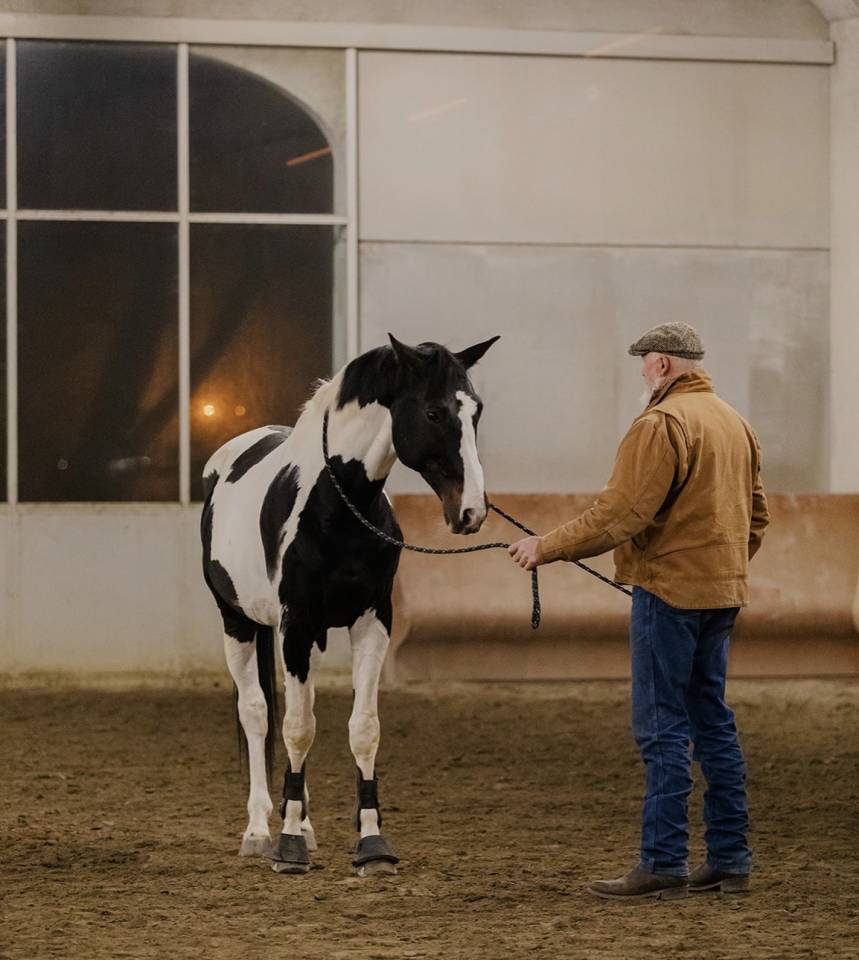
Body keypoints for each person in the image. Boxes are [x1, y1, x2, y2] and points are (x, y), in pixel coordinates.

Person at [508, 321, 770, 901]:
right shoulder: (736, 423)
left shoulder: (660, 424)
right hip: (722, 594)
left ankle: (663, 863)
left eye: (644, 362)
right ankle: (730, 859)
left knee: (662, 728)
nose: (642, 373)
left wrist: (545, 547)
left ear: (662, 364)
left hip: (668, 597)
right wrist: (719, 569)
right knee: (713, 723)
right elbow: (757, 518)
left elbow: (619, 514)